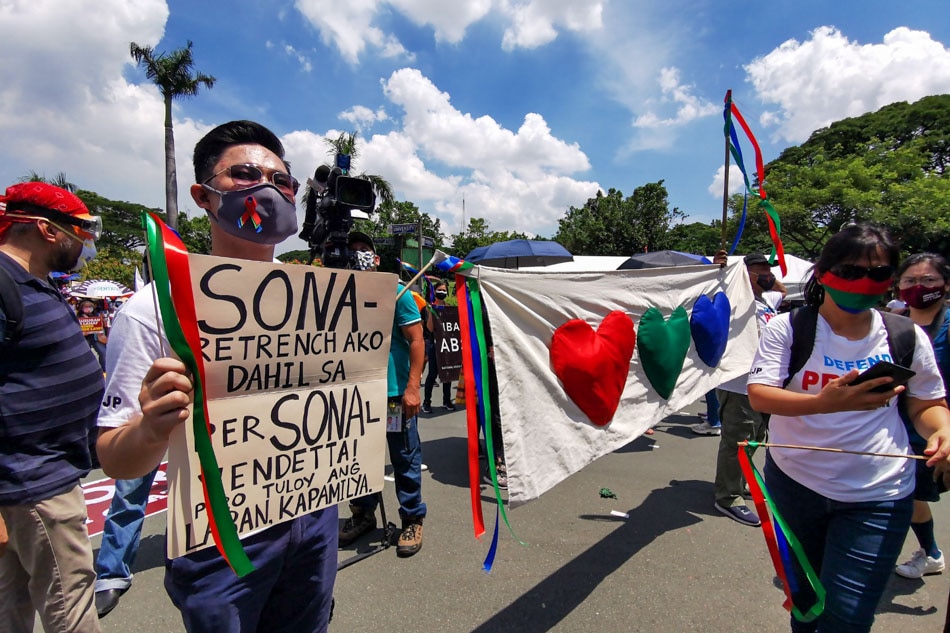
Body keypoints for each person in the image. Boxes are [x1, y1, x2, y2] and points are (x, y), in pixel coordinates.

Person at [95, 120, 337, 632]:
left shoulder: (327, 306)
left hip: (314, 518)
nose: (268, 188)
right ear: (203, 196)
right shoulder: (153, 310)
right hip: (219, 539)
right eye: (245, 174)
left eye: (282, 181)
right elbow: (116, 459)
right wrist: (150, 428)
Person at [747, 223, 950, 633]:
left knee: (848, 617)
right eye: (851, 271)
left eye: (877, 274)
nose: (863, 282)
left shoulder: (905, 335)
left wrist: (941, 429)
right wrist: (823, 404)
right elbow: (761, 395)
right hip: (795, 484)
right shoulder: (789, 329)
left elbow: (927, 403)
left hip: (880, 492)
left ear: (889, 281)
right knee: (805, 604)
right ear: (822, 272)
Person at [0, 182, 104, 633]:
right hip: (32, 483)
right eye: (80, 231)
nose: (86, 244)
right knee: (71, 602)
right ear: (45, 228)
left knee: (13, 599)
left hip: (43, 474)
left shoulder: (34, 283)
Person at [338, 231, 427, 556]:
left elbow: (417, 341)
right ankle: (363, 514)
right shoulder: (336, 295)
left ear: (376, 259)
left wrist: (412, 388)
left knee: (403, 459)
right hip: (356, 398)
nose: (357, 255)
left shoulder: (397, 292)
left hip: (392, 399)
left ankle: (412, 519)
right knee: (360, 461)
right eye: (351, 250)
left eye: (364, 250)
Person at [710, 252, 786, 526]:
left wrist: (768, 279)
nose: (768, 274)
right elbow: (710, 290)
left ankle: (741, 482)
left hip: (765, 385)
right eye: (761, 270)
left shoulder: (767, 300)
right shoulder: (733, 298)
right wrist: (723, 270)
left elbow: (782, 289)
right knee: (737, 442)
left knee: (755, 439)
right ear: (744, 273)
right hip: (739, 385)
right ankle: (727, 497)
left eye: (769, 269)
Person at [892, 253, 950, 579]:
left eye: (928, 280)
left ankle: (930, 553)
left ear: (945, 285)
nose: (918, 287)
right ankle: (931, 553)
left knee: (911, 496)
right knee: (910, 496)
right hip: (896, 425)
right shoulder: (892, 321)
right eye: (910, 280)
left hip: (935, 428)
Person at [422, 280, 456, 414]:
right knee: (432, 373)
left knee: (447, 373)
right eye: (439, 290)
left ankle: (446, 401)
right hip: (433, 345)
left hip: (446, 345)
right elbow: (429, 328)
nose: (442, 292)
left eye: (444, 290)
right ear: (434, 292)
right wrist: (432, 313)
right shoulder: (428, 308)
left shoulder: (448, 306)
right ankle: (427, 402)